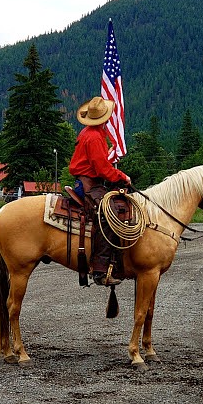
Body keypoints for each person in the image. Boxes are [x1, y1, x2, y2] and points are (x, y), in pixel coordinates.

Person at [69, 96, 131, 286]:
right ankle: (100, 269)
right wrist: (122, 177)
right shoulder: (95, 137)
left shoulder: (89, 132)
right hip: (89, 184)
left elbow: (99, 164)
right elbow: (102, 169)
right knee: (108, 213)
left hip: (87, 181)